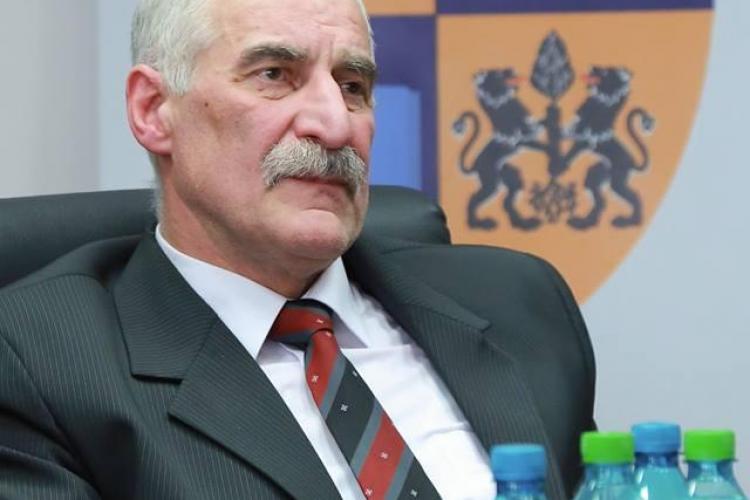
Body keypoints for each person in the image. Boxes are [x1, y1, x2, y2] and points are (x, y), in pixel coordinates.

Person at [0, 0, 595, 498]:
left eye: (353, 86)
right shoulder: (43, 364)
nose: (336, 126)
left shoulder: (518, 303)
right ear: (153, 110)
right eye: (274, 75)